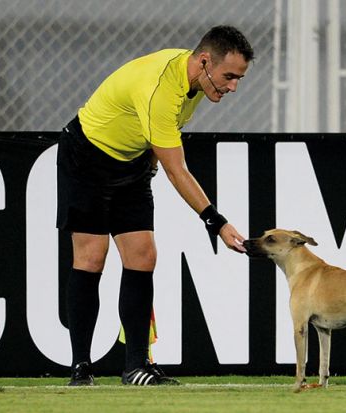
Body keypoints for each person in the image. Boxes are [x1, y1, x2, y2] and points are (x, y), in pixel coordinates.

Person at [56, 25, 254, 386]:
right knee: (91, 258)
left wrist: (144, 163)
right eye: (229, 76)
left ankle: (135, 366)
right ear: (205, 62)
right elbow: (177, 171)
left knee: (143, 256)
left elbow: (155, 144)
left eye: (239, 78)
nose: (233, 87)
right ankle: (80, 368)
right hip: (86, 157)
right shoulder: (162, 88)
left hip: (131, 162)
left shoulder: (194, 81)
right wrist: (217, 222)